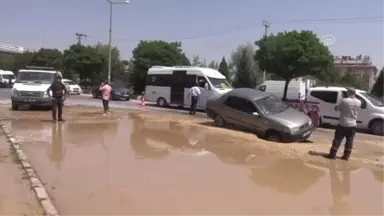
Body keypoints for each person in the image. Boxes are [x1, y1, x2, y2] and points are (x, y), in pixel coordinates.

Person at [325, 87, 361, 160]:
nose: (346, 93)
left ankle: (332, 155)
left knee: (337, 139)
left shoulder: (345, 100)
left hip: (343, 123)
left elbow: (337, 108)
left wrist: (338, 107)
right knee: (350, 140)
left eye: (347, 91)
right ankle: (346, 156)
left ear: (349, 92)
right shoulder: (359, 102)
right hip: (353, 124)